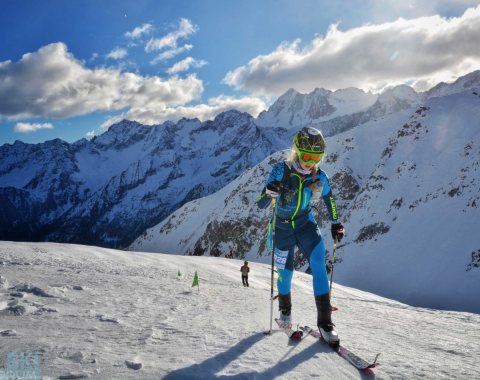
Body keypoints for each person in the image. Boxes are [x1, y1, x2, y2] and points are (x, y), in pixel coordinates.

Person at [257, 126, 344, 344]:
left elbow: (329, 199)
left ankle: (325, 323)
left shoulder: (320, 176)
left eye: (316, 157)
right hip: (282, 229)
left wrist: (336, 223)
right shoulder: (281, 170)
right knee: (284, 275)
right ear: (297, 151)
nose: (310, 161)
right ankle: (285, 312)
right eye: (306, 156)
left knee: (319, 266)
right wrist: (270, 193)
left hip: (306, 225)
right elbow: (261, 204)